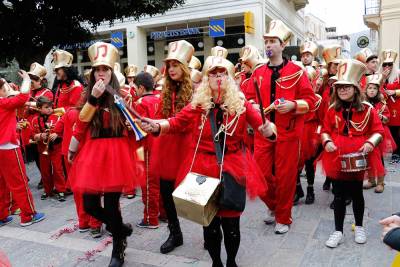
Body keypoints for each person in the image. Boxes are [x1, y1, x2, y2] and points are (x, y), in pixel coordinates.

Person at [141, 56, 273, 267]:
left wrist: (268, 130)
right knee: (209, 224)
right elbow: (177, 122)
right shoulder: (198, 105)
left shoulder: (241, 104)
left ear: (229, 78)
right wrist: (157, 126)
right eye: (213, 73)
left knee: (231, 225)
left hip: (233, 167)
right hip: (203, 168)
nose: (217, 77)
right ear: (206, 78)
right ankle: (216, 263)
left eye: (222, 73)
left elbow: (264, 128)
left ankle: (230, 261)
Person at [67, 42, 139, 266]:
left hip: (117, 153)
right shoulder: (88, 94)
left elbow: (133, 125)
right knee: (89, 205)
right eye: (98, 69)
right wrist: (72, 147)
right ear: (92, 73)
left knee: (110, 205)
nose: (101, 73)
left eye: (105, 69)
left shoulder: (123, 94)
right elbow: (81, 124)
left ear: (111, 72)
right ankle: (121, 229)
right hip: (93, 153)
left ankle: (118, 248)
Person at [246, 20, 316, 234]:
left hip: (288, 132)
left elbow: (311, 101)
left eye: (273, 42)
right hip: (263, 132)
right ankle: (275, 206)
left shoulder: (297, 71)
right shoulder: (258, 72)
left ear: (283, 45)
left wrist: (293, 105)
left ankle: (283, 218)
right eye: (266, 42)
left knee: (286, 177)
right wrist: (253, 108)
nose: (268, 46)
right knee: (260, 174)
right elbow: (248, 98)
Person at [321, 59, 384, 248]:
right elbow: (324, 129)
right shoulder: (332, 109)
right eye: (339, 88)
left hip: (360, 156)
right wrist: (328, 141)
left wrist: (369, 144)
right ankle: (338, 230)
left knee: (357, 194)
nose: (342, 90)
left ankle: (360, 226)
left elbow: (379, 131)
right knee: (338, 195)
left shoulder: (367, 109)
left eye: (346, 87)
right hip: (336, 157)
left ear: (356, 88)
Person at [148, 40, 195, 254]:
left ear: (184, 67)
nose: (172, 69)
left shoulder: (196, 92)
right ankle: (175, 233)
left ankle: (209, 232)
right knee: (167, 196)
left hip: (188, 149)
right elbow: (159, 118)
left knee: (196, 195)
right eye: (170, 65)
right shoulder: (165, 91)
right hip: (167, 149)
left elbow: (191, 122)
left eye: (176, 64)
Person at [0, 72, 45, 227]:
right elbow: (24, 96)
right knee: (19, 183)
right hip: (9, 148)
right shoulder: (4, 103)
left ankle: (1, 215)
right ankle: (28, 215)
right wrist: (26, 79)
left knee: (2, 184)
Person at [52, 102, 103, 238]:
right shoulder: (94, 111)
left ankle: (83, 221)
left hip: (70, 154)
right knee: (92, 190)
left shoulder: (69, 112)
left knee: (78, 191)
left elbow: (57, 129)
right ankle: (95, 224)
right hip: (87, 153)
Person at [133, 72, 161, 229]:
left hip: (147, 147)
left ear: (141, 88)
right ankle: (161, 213)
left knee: (148, 185)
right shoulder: (160, 98)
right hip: (160, 145)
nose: (135, 91)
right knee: (159, 183)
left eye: (135, 88)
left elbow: (140, 129)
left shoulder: (141, 102)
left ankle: (151, 218)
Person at [294, 66, 323, 205]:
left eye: (310, 80)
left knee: (309, 163)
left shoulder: (318, 99)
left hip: (311, 133)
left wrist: (317, 137)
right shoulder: (296, 97)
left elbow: (323, 120)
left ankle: (310, 190)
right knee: (293, 163)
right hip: (297, 131)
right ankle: (298, 189)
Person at [363, 74, 396, 193]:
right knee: (368, 158)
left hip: (378, 134)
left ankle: (381, 182)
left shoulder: (382, 104)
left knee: (379, 159)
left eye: (374, 88)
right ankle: (371, 180)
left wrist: (380, 116)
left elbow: (387, 119)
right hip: (366, 134)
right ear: (366, 90)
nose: (372, 91)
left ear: (378, 91)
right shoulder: (362, 103)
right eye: (370, 88)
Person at [31, 96, 66, 201]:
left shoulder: (57, 117)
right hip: (42, 149)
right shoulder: (34, 120)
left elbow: (64, 131)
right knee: (45, 171)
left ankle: (61, 190)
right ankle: (48, 190)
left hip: (56, 147)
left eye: (51, 107)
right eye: (46, 107)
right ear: (39, 108)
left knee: (57, 169)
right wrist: (40, 135)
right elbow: (33, 136)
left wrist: (57, 134)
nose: (50, 109)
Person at [320, 44, 343, 192]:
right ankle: (329, 177)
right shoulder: (323, 81)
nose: (336, 67)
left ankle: (339, 190)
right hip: (324, 123)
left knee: (338, 156)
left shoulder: (344, 81)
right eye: (334, 64)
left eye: (338, 64)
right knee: (326, 153)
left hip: (340, 123)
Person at [381, 49, 400, 159]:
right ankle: (395, 151)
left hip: (398, 106)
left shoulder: (398, 75)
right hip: (386, 107)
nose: (387, 66)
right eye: (385, 64)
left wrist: (395, 92)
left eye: (389, 64)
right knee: (391, 130)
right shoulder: (381, 76)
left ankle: (397, 153)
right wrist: (382, 78)